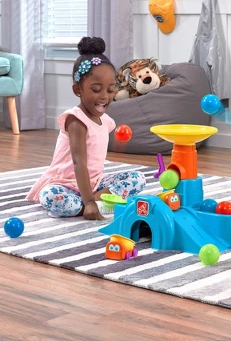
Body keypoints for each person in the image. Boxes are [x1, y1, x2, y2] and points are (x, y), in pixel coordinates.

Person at [26, 36, 146, 220]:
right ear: (78, 90)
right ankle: (92, 203)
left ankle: (85, 204)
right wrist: (89, 202)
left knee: (138, 179)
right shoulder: (76, 120)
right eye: (96, 90)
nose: (105, 96)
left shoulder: (105, 120)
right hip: (64, 183)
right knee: (51, 197)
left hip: (94, 182)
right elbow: (78, 163)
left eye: (110, 90)